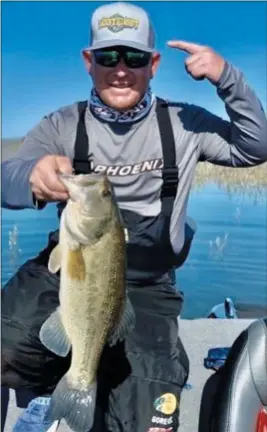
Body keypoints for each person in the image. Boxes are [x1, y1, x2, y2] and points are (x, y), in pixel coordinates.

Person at [1, 2, 267, 431]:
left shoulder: (186, 123)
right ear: (89, 62)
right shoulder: (61, 125)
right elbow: (5, 179)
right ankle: (47, 390)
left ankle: (92, 381)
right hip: (73, 273)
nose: (120, 69)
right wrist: (29, 177)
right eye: (108, 56)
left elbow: (255, 147)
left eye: (134, 57)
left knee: (148, 412)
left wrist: (227, 78)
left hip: (149, 287)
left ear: (154, 63)